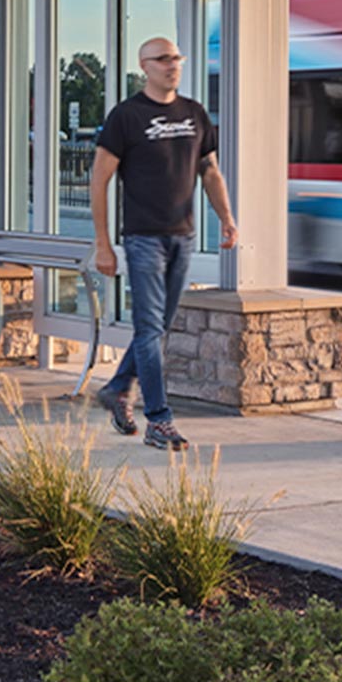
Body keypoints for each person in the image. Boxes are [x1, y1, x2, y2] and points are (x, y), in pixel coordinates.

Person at [89, 36, 237, 452]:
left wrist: (225, 218)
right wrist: (103, 243)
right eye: (162, 59)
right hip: (142, 240)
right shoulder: (127, 117)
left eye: (176, 58)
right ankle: (159, 420)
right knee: (150, 328)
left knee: (158, 329)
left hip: (182, 237)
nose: (172, 65)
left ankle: (118, 387)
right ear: (145, 67)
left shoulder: (194, 114)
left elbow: (210, 171)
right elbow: (98, 180)